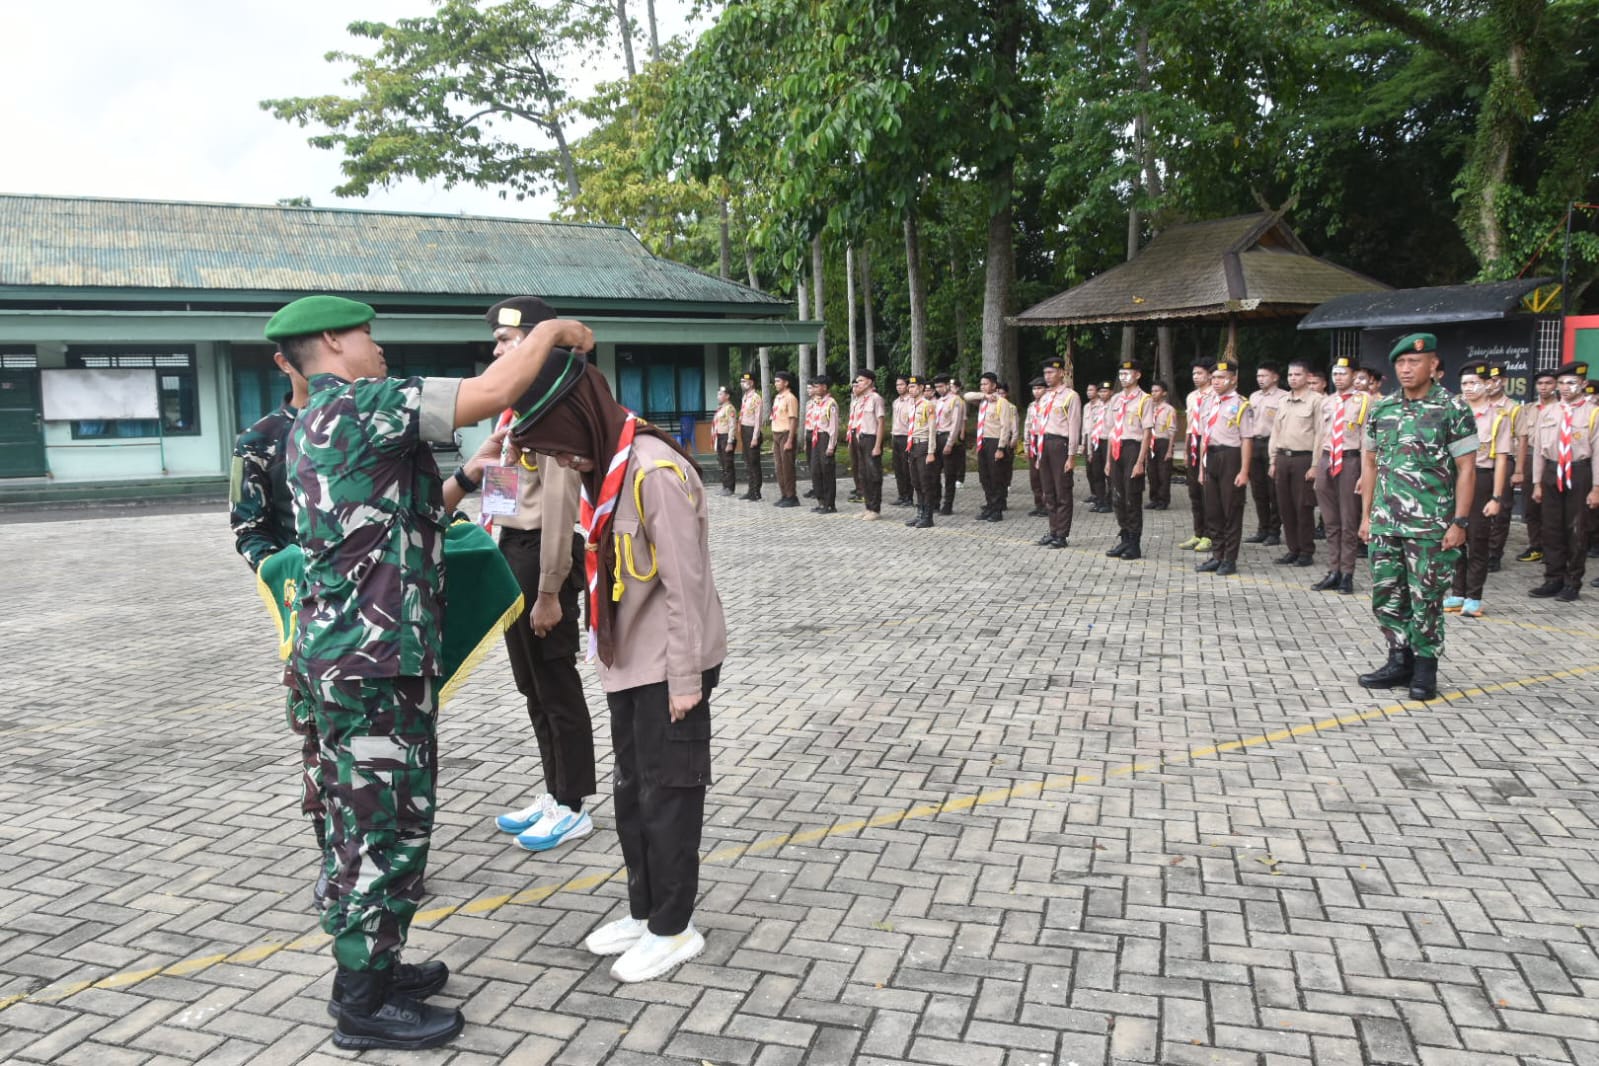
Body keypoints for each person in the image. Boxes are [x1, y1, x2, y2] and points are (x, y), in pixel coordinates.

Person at [270, 293, 592, 1049]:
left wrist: (469, 479)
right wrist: (549, 331)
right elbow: (498, 390)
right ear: (331, 342)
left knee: (375, 821)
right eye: (366, 334)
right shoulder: (358, 403)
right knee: (380, 830)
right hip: (371, 662)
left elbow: (403, 518)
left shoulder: (319, 422)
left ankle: (379, 966)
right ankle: (360, 1001)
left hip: (356, 656)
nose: (379, 348)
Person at [506, 352, 726, 986]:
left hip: (669, 664)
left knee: (670, 796)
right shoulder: (608, 469)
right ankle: (644, 911)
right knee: (632, 793)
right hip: (630, 662)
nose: (566, 465)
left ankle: (674, 926)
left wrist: (685, 678)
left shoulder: (653, 472)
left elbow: (686, 584)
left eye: (565, 451)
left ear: (584, 423)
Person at [464, 297, 594, 856]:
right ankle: (553, 791)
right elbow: (505, 489)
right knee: (532, 686)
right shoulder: (518, 410)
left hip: (544, 555)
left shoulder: (552, 411)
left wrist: (548, 592)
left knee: (557, 684)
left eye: (506, 341)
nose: (495, 351)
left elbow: (563, 507)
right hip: (513, 550)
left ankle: (573, 805)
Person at [229, 352, 327, 910]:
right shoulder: (261, 440)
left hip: (382, 615)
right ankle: (334, 858)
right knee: (321, 738)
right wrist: (293, 576)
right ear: (285, 362)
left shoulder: (375, 425)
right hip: (311, 615)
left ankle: (389, 860)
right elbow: (249, 531)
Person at [1356, 332, 1477, 702]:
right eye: (1401, 363)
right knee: (1387, 596)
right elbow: (1371, 463)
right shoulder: (1382, 408)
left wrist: (1460, 522)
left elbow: (1467, 469)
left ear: (1433, 365)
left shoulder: (1453, 408)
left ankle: (1425, 669)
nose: (1406, 369)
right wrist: (1366, 517)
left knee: (1426, 599)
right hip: (1385, 523)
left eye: (1414, 362)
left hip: (1431, 525)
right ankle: (1399, 661)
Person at [1442, 361, 1511, 618]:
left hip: (1482, 478)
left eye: (1474, 383)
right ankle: (1457, 593)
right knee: (1453, 539)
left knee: (1477, 540)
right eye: (1464, 384)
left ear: (1488, 384)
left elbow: (1502, 459)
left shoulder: (1498, 417)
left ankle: (1474, 597)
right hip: (1454, 478)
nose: (1469, 388)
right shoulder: (1453, 412)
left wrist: (1496, 497)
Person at [1529, 361, 1599, 601]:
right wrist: (1537, 483)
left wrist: (1597, 488)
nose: (1565, 388)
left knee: (1577, 529)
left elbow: (1598, 452)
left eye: (1572, 383)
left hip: (1580, 472)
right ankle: (1553, 578)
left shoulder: (1593, 412)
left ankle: (1572, 582)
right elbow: (1539, 449)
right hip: (1552, 471)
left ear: (1584, 384)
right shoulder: (1549, 412)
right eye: (1561, 383)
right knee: (1551, 528)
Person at [1311, 356, 1371, 594]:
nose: (1338, 378)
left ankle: (1347, 573)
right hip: (1327, 460)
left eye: (1343, 373)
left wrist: (1365, 474)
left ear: (1354, 375)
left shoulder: (1364, 401)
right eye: (1335, 373)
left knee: (1348, 522)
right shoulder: (1327, 402)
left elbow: (1367, 439)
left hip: (1350, 460)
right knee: (1330, 521)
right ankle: (1333, 571)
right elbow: (1319, 435)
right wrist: (1316, 466)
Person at [1195, 359, 1254, 576]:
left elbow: (1247, 439)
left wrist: (1244, 471)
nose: (1216, 382)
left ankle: (1230, 558)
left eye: (1221, 377)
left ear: (1234, 379)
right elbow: (1204, 437)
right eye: (1214, 378)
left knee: (1231, 509)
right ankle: (1217, 555)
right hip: (1210, 456)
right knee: (1213, 510)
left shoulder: (1241, 404)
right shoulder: (1208, 402)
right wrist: (1201, 468)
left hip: (1231, 457)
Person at [1267, 360, 1320, 568]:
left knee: (1303, 506)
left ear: (1307, 377)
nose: (1293, 378)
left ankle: (1306, 550)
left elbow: (1320, 435)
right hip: (1283, 457)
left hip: (1303, 459)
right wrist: (1273, 460)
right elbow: (1275, 432)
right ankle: (1293, 549)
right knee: (1285, 506)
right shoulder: (1283, 401)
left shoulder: (1316, 401)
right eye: (1290, 375)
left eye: (1298, 375)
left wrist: (1315, 465)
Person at [1104, 359, 1154, 559]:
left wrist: (1140, 462)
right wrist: (1108, 461)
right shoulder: (1115, 400)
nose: (1123, 378)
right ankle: (1124, 538)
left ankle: (1134, 543)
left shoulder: (1144, 399)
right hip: (1116, 448)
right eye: (1121, 374)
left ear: (1137, 375)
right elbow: (1111, 431)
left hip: (1133, 448)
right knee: (1117, 497)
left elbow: (1147, 432)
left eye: (1127, 374)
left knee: (1132, 497)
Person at [1034, 358, 1082, 549]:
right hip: (1045, 444)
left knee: (1062, 491)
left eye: (1051, 372)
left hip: (1060, 445)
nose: (1047, 376)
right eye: (1045, 373)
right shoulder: (1044, 397)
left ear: (1061, 373)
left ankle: (1062, 534)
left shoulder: (1071, 396)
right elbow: (1040, 425)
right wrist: (1038, 453)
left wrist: (1071, 455)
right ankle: (1053, 530)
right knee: (1048, 492)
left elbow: (1074, 426)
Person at [1515, 367, 1558, 563]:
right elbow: (1521, 438)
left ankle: (1553, 548)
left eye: (1548, 383)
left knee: (1551, 507)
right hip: (1531, 458)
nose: (1544, 387)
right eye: (1540, 383)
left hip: (1553, 460)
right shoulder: (1528, 409)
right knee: (1531, 506)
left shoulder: (1561, 409)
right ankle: (1535, 546)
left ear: (1555, 385)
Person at [1482, 365, 1520, 571]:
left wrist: (1520, 469)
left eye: (1494, 380)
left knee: (1501, 510)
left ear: (1503, 381)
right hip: (1479, 463)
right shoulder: (1474, 406)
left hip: (1504, 461)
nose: (1490, 385)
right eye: (1486, 381)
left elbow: (1522, 440)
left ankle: (1494, 553)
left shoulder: (1512, 408)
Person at [1246, 362, 1286, 545]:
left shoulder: (1283, 398)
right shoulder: (1253, 397)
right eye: (1258, 376)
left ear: (1275, 377)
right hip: (1255, 444)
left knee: (1274, 491)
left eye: (1264, 376)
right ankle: (1262, 528)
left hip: (1272, 444)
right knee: (1258, 490)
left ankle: (1274, 531)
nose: (1260, 379)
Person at [1178, 359, 1215, 552]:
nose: (1195, 377)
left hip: (1209, 441)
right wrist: (1185, 450)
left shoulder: (1215, 395)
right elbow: (1190, 426)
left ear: (1210, 375)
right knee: (1194, 492)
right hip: (1193, 442)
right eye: (1193, 374)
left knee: (1207, 491)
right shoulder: (1192, 397)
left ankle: (1210, 535)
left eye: (1199, 373)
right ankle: (1198, 532)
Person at [973, 371, 1017, 521]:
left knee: (995, 477)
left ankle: (997, 510)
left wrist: (1001, 447)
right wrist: (984, 396)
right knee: (984, 477)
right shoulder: (984, 401)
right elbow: (966, 396)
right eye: (981, 384)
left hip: (995, 441)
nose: (983, 387)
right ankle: (989, 506)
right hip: (982, 442)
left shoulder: (1001, 402)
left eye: (985, 384)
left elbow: (1005, 426)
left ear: (993, 385)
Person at [847, 369, 887, 520]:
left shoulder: (876, 398)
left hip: (871, 438)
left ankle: (875, 509)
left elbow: (881, 423)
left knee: (874, 474)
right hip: (858, 438)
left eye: (861, 380)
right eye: (857, 381)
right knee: (862, 474)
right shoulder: (858, 400)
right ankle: (867, 506)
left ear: (869, 382)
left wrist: (877, 445)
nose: (858, 383)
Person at [904, 376, 938, 528]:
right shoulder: (913, 406)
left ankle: (928, 516)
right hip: (913, 446)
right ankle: (920, 513)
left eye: (913, 387)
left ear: (921, 388)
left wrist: (931, 451)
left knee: (925, 483)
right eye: (909, 387)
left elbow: (932, 430)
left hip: (924, 446)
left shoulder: (927, 405)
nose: (910, 389)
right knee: (916, 482)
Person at [804, 375, 839, 513]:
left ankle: (830, 504)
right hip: (815, 437)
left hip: (825, 437)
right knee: (815, 470)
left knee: (827, 471)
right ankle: (821, 501)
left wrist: (831, 445)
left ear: (825, 387)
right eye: (814, 386)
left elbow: (834, 428)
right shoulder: (815, 403)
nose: (815, 389)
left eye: (818, 386)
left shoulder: (831, 403)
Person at [932, 374, 965, 514]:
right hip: (937, 437)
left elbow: (956, 423)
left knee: (949, 474)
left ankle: (948, 505)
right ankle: (935, 502)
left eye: (941, 386)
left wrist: (950, 443)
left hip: (948, 437)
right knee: (934, 473)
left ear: (947, 385)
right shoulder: (939, 401)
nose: (938, 389)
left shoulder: (956, 401)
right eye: (936, 387)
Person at [770, 370, 801, 507]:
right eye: (775, 381)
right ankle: (784, 494)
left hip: (786, 433)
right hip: (776, 433)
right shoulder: (778, 397)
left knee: (787, 467)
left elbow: (793, 420)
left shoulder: (790, 398)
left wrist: (790, 440)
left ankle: (791, 496)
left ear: (786, 383)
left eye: (778, 381)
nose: (775, 383)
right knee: (779, 467)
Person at [1147, 382, 1177, 511]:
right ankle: (1154, 499)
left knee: (1163, 473)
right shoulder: (1149, 409)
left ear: (1164, 393)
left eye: (1157, 391)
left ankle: (1163, 500)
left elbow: (1172, 431)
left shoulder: (1169, 410)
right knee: (1151, 472)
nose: (1153, 393)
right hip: (1151, 442)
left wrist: (1170, 449)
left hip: (1163, 442)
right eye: (1152, 391)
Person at [1083, 382, 1111, 511]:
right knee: (1096, 473)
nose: (1102, 394)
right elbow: (1090, 429)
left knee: (1110, 474)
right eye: (1100, 391)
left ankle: (1111, 502)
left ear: (1111, 392)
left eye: (1105, 391)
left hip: (1108, 442)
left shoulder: (1114, 407)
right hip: (1095, 441)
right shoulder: (1095, 408)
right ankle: (1100, 500)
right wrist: (1088, 449)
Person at [1023, 377, 1049, 516]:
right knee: (1034, 476)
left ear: (1046, 389)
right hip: (1033, 441)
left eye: (1039, 388)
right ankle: (1039, 504)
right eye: (1034, 389)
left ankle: (1048, 504)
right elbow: (1028, 424)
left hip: (1045, 440)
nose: (1036, 391)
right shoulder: (1031, 406)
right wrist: (1026, 443)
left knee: (1045, 474)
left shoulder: (1049, 405)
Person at [737, 372, 763, 500]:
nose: (742, 383)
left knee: (753, 462)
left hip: (752, 430)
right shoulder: (745, 397)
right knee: (747, 461)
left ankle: (756, 491)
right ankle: (750, 489)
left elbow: (758, 419)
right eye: (741, 381)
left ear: (751, 382)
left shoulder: (756, 398)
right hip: (744, 429)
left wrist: (755, 437)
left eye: (744, 381)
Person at [890, 374, 915, 507]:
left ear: (907, 386)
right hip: (896, 436)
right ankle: (901, 495)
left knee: (907, 468)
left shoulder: (912, 401)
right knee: (898, 468)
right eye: (897, 385)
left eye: (901, 385)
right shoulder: (896, 402)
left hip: (907, 437)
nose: (899, 387)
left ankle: (909, 497)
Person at [712, 385, 738, 496]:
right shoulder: (721, 409)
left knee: (728, 464)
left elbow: (732, 426)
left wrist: (730, 442)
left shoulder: (730, 408)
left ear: (727, 396)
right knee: (722, 463)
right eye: (718, 394)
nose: (718, 396)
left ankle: (730, 488)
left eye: (720, 394)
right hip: (720, 437)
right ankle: (725, 486)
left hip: (726, 437)